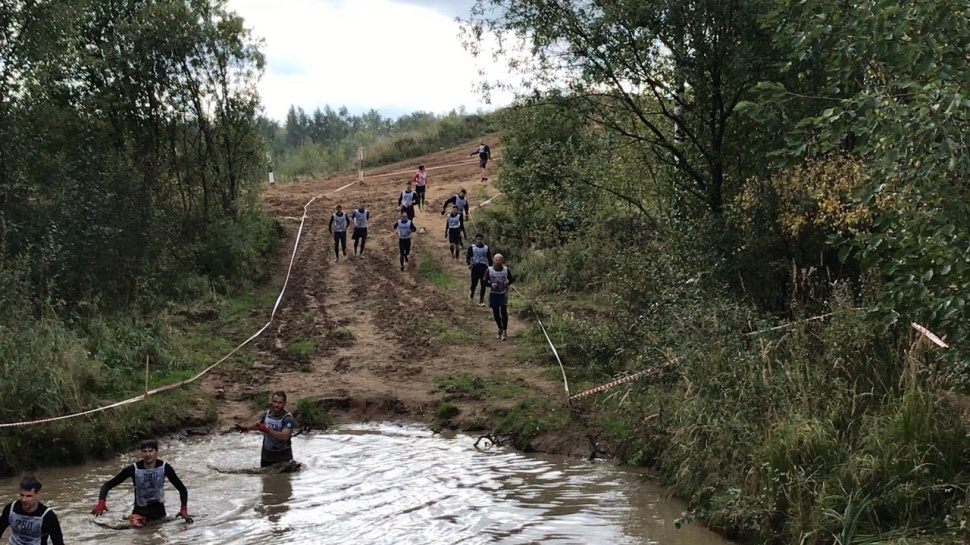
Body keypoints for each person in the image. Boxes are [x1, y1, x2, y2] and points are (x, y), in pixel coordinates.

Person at [92, 439, 192, 527]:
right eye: (144, 451)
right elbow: (107, 485)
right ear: (141, 453)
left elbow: (182, 489)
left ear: (157, 452)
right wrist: (101, 502)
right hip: (140, 511)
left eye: (151, 451)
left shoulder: (165, 467)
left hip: (159, 513)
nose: (148, 454)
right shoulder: (133, 469)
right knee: (138, 533)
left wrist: (184, 509)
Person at [236, 391, 295, 468]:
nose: (277, 405)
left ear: (284, 403)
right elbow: (259, 425)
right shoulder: (267, 414)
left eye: (280, 403)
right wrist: (246, 428)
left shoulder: (287, 418)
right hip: (267, 456)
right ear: (271, 401)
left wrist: (268, 430)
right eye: (275, 402)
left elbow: (285, 436)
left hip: (283, 457)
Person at [0, 477, 64, 545]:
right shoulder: (11, 509)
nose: (24, 500)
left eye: (29, 496)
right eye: (22, 495)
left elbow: (58, 542)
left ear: (38, 494)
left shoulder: (48, 516)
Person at [485, 254, 514, 340]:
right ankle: (500, 328)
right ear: (493, 260)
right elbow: (484, 281)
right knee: (495, 312)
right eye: (496, 260)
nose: (498, 262)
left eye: (499, 260)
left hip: (503, 293)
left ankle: (504, 330)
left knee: (503, 310)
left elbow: (511, 279)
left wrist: (507, 283)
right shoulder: (489, 270)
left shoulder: (506, 270)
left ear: (502, 260)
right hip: (494, 294)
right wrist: (491, 285)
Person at [466, 233, 493, 306]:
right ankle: (471, 294)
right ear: (476, 239)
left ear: (482, 240)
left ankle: (481, 300)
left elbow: (489, 258)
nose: (479, 241)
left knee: (483, 284)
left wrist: (491, 267)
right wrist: (469, 263)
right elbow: (468, 256)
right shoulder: (472, 247)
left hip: (483, 267)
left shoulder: (486, 248)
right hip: (475, 266)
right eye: (478, 239)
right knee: (474, 283)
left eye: (480, 239)